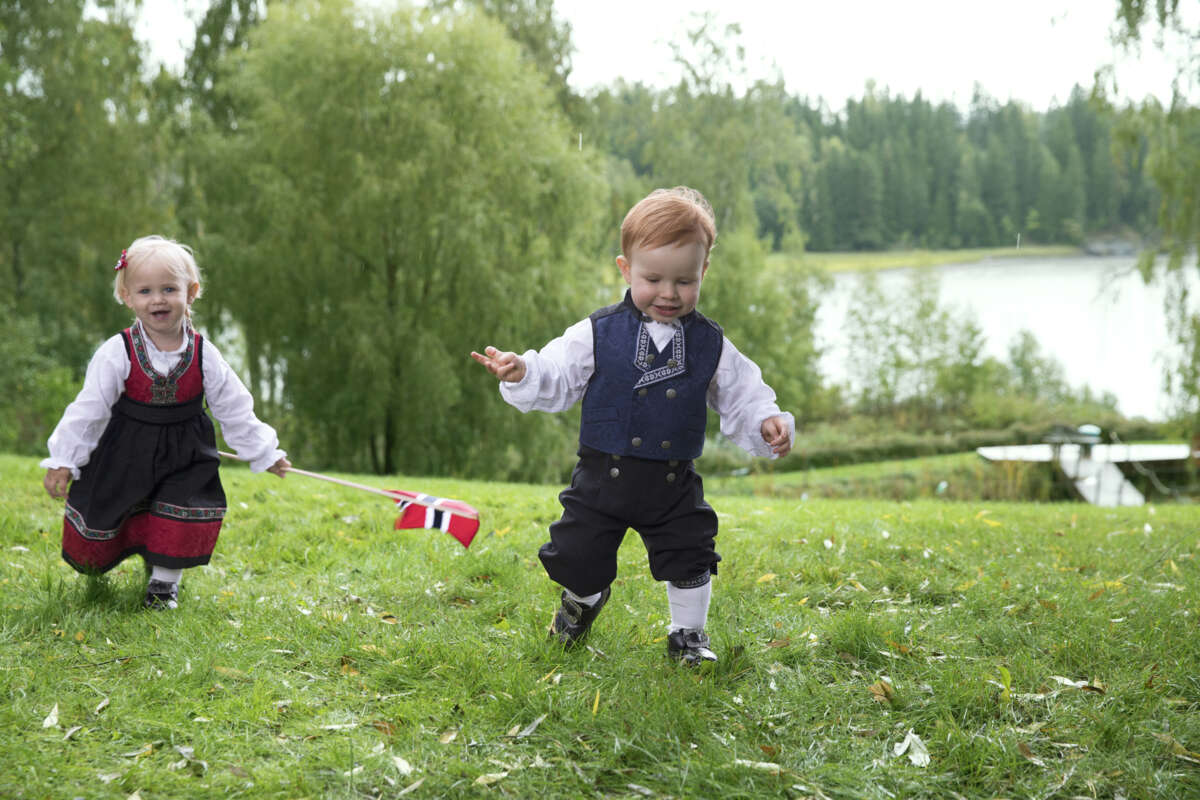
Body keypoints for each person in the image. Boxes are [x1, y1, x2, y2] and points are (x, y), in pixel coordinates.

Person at [472, 186, 793, 665]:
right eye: (654, 278)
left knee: (691, 552)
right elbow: (557, 374)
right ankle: (582, 603)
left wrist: (765, 420)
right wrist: (524, 371)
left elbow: (741, 393)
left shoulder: (710, 344)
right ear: (626, 269)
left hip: (671, 480)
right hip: (604, 474)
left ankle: (688, 636)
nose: (668, 293)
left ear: (703, 270)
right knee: (579, 556)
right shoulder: (598, 333)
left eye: (684, 281)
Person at [41, 235, 290, 609]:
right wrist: (64, 458)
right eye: (145, 290)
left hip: (185, 451)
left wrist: (263, 452)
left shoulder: (205, 354)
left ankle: (163, 587)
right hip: (127, 450)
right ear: (127, 296)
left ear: (191, 292)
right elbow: (89, 409)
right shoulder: (117, 352)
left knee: (180, 511)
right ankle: (140, 560)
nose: (157, 299)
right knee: (125, 512)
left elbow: (235, 407)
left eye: (169, 288)